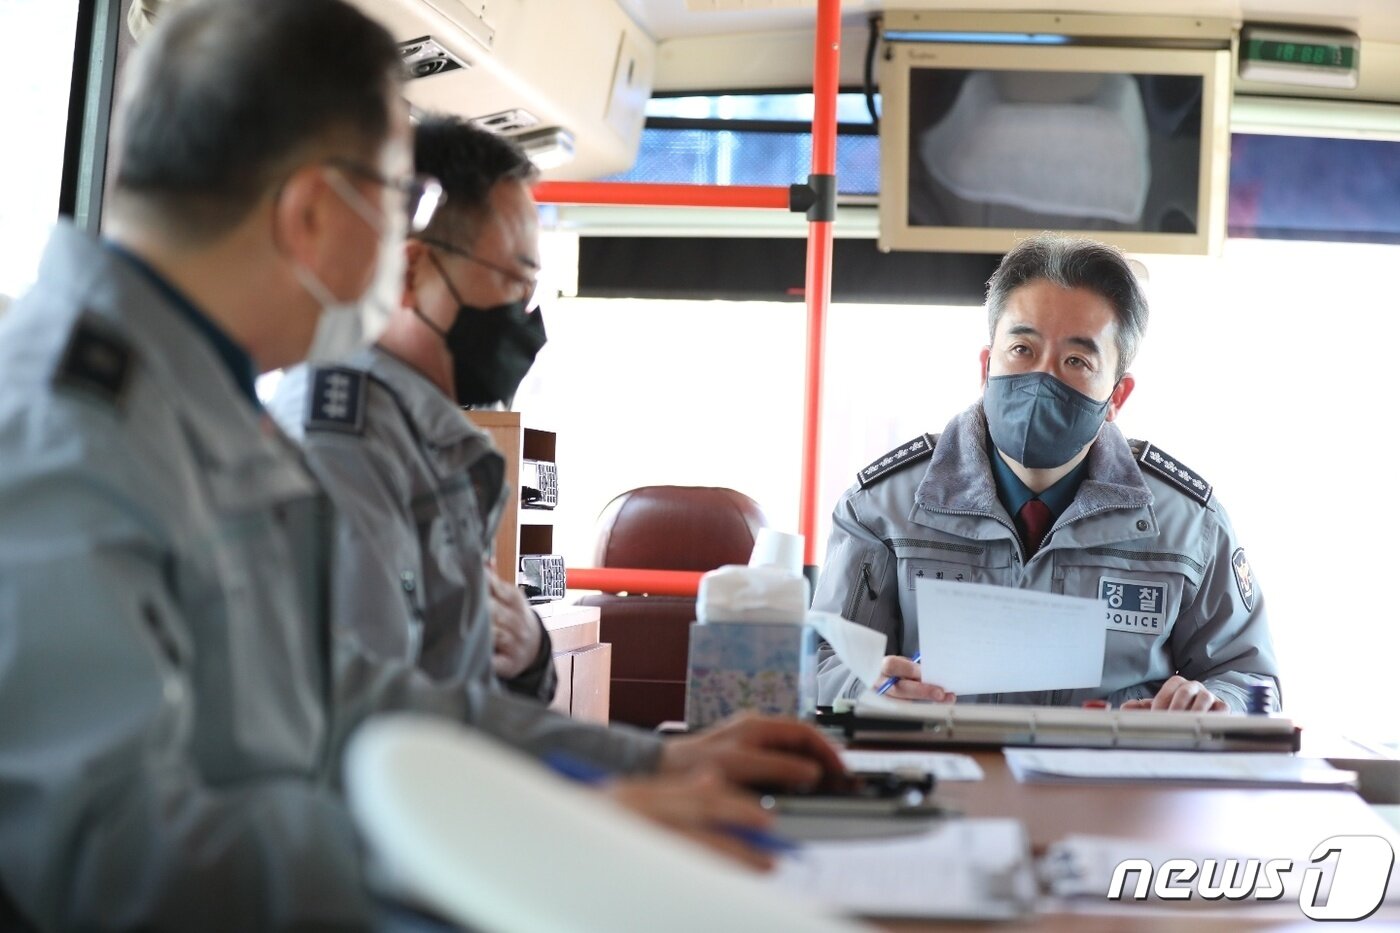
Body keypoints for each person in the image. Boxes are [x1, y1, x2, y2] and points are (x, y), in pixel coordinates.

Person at [0, 2, 841, 928]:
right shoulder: (69, 436)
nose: (402, 250)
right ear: (312, 211)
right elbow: (104, 857)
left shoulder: (201, 411)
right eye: (397, 195)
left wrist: (648, 763)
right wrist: (535, 834)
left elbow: (347, 692)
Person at [813, 234, 1280, 714]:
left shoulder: (1188, 526)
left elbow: (1250, 678)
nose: (1042, 378)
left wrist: (1211, 704)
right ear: (985, 365)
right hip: (938, 781)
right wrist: (864, 687)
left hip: (1112, 783)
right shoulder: (881, 508)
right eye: (1021, 348)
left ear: (1117, 397)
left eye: (1076, 361)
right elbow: (817, 662)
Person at [269, 116, 556, 701]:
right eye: (514, 280)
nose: (525, 314)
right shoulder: (340, 440)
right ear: (413, 270)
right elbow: (378, 710)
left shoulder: (431, 439)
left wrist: (533, 654)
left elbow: (463, 668)